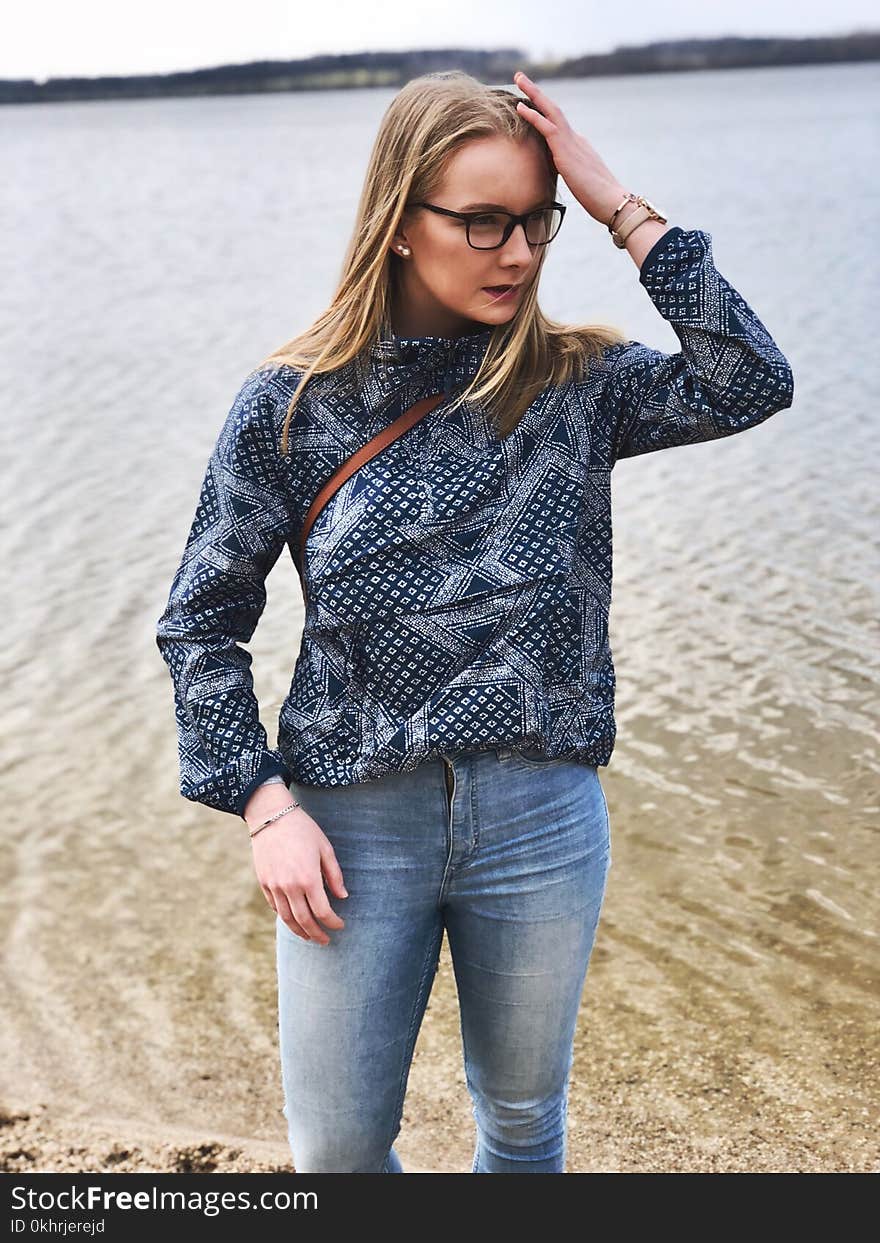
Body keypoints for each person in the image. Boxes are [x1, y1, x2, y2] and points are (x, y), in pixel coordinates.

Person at [155, 69, 794, 1173]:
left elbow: (747, 380)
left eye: (534, 222)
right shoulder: (294, 404)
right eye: (482, 222)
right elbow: (200, 623)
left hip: (541, 813)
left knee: (519, 1126)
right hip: (353, 827)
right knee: (339, 1154)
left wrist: (612, 204)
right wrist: (262, 806)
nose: (517, 253)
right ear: (401, 223)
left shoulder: (578, 383)